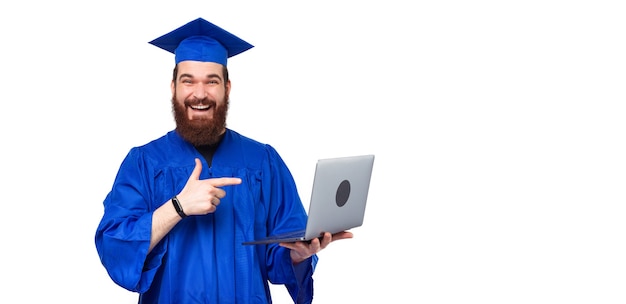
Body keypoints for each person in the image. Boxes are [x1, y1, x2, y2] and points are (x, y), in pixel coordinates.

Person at [94, 17, 353, 304]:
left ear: (227, 88)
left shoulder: (262, 162)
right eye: (188, 81)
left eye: (212, 81)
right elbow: (114, 244)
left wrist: (297, 255)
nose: (200, 93)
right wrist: (177, 207)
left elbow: (282, 249)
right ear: (173, 87)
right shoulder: (143, 163)